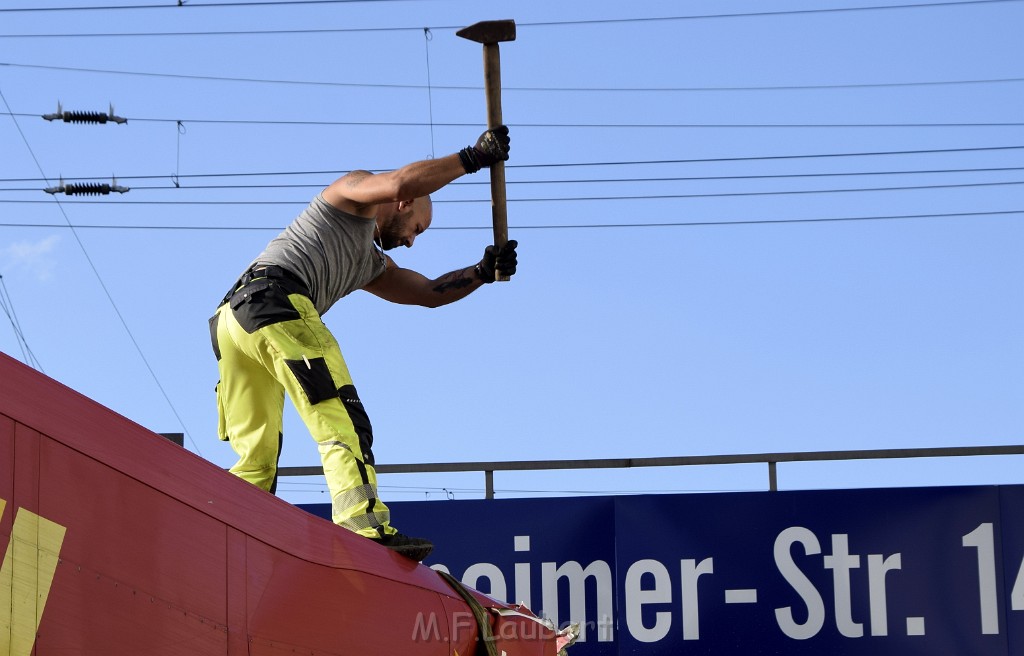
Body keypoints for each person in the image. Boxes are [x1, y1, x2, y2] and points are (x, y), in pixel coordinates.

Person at [208, 127, 516, 561]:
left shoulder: (370, 264)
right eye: (417, 229)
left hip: (234, 321)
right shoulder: (350, 193)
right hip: (278, 305)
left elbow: (428, 292)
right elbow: (398, 182)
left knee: (257, 454)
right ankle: (365, 530)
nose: (411, 240)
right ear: (406, 204)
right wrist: (472, 157)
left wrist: (481, 272)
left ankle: (222, 524)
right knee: (342, 419)